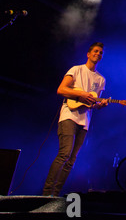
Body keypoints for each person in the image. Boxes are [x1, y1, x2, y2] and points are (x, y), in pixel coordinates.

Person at [42, 42, 108, 196]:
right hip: (69, 115)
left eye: (101, 53)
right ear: (88, 53)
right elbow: (61, 89)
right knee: (64, 153)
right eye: (96, 51)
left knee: (71, 160)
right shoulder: (76, 69)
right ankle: (45, 194)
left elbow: (95, 103)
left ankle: (55, 195)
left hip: (85, 121)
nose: (98, 54)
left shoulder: (101, 79)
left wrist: (101, 104)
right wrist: (80, 94)